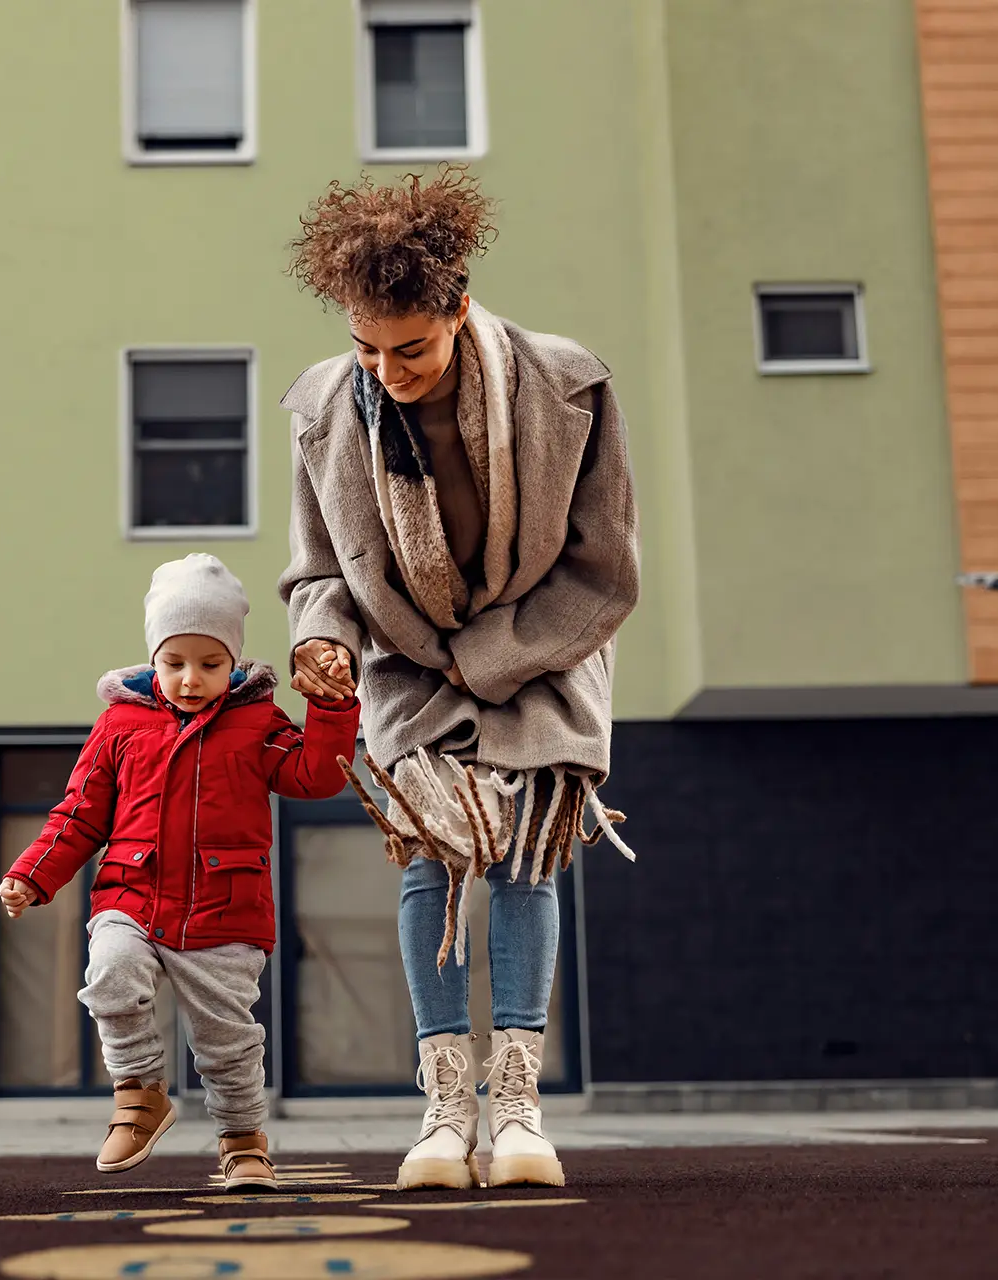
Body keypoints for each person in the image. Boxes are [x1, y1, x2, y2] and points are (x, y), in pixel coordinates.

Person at [278, 167, 640, 1191]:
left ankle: (518, 1108)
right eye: (366, 348)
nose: (385, 371)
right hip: (407, 661)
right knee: (429, 861)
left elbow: (604, 570)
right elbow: (318, 570)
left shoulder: (571, 385)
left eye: (412, 348)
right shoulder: (319, 408)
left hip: (542, 647)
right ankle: (445, 1111)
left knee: (525, 853)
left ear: (459, 303)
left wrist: (493, 656)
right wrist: (326, 640)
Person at [0, 553, 359, 1190]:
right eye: (175, 662)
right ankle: (140, 1095)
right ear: (153, 657)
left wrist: (332, 713)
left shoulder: (257, 724)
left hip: (226, 909)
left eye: (210, 664)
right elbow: (80, 813)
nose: (191, 679)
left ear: (235, 662)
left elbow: (314, 776)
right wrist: (34, 872)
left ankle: (243, 1140)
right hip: (131, 897)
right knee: (108, 973)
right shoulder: (120, 725)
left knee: (226, 1040)